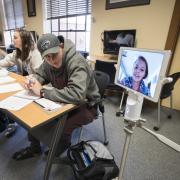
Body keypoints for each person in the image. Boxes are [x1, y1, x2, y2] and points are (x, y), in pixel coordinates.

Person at [12, 33, 100, 160]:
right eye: (47, 57)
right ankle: (34, 148)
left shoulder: (77, 62)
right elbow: (41, 74)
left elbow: (77, 94)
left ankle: (62, 144)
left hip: (87, 105)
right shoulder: (48, 61)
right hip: (64, 102)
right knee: (35, 113)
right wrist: (33, 81)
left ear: (61, 46)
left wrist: (42, 92)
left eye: (55, 55)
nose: (52, 60)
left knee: (62, 126)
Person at [0, 28, 43, 137]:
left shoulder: (35, 53)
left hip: (37, 85)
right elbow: (6, 61)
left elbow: (41, 74)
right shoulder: (18, 52)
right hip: (25, 84)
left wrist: (30, 77)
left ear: (24, 39)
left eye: (15, 37)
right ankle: (11, 122)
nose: (13, 40)